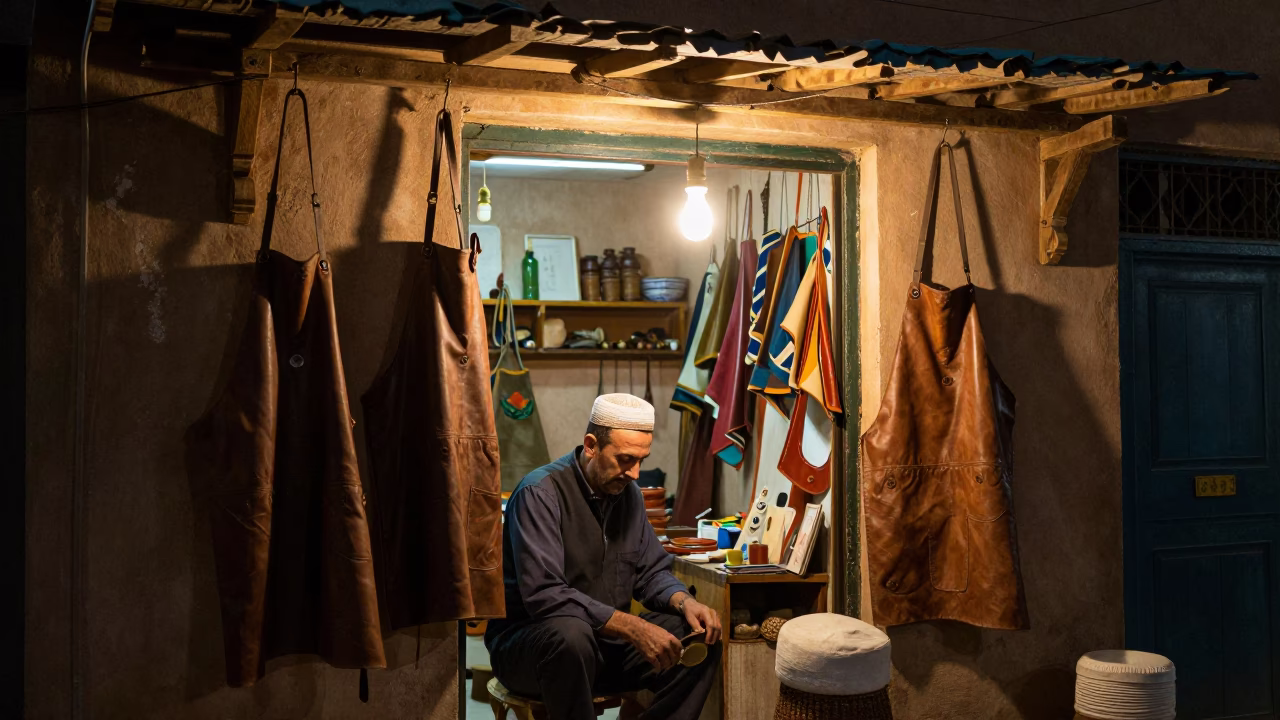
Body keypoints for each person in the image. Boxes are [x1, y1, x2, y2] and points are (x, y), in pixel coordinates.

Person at [485, 393, 723, 720]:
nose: (635, 473)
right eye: (625, 459)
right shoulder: (538, 493)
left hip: (605, 647)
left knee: (699, 637)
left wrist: (685, 602)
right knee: (571, 635)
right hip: (532, 650)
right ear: (591, 445)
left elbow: (651, 572)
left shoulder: (629, 495)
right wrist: (633, 627)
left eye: (641, 461)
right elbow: (545, 595)